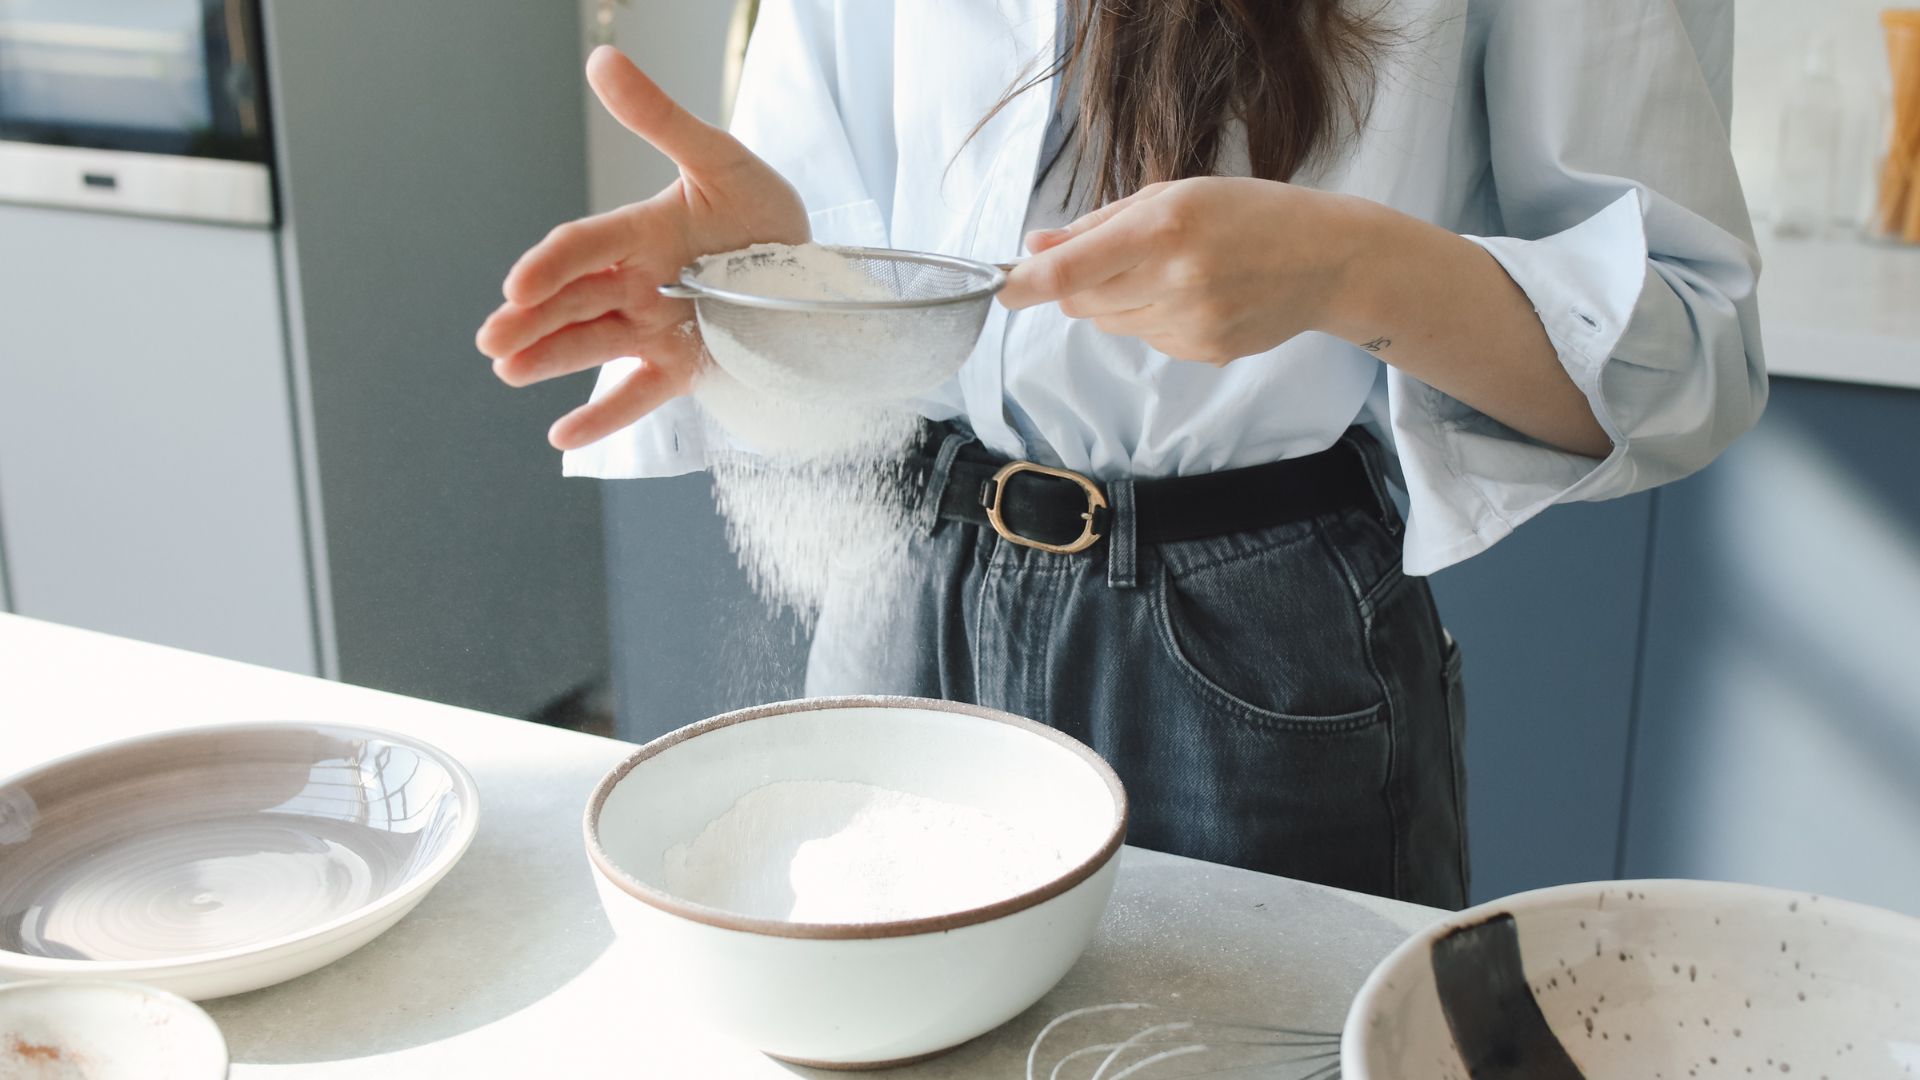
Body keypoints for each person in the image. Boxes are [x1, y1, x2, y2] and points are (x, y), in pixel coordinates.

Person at [475, 0, 1764, 909]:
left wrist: (1342, 265)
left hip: (1256, 654)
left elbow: (1681, 348)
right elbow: (875, 270)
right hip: (903, 593)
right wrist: (763, 294)